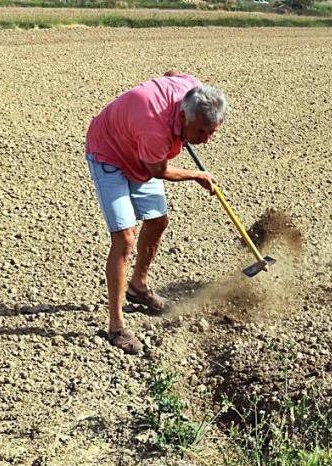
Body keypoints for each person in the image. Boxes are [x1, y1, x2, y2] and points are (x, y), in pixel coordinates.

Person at [84, 70, 227, 354]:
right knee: (125, 238)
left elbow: (173, 73)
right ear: (184, 116)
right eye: (201, 132)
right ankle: (116, 326)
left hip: (141, 151)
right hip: (110, 155)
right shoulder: (154, 128)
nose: (206, 139)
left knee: (158, 221)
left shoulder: (193, 89)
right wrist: (197, 175)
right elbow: (158, 170)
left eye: (212, 132)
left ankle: (138, 286)